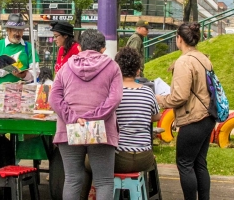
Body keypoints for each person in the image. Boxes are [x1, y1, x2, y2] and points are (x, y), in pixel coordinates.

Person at [48, 29, 123, 200]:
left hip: (69, 129)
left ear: (80, 47)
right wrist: (94, 118)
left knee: (73, 179)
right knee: (103, 181)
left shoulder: (66, 67)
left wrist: (73, 118)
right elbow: (115, 99)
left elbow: (54, 97)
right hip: (101, 130)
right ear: (103, 49)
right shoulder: (112, 68)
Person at [80, 47, 161, 199]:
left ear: (116, 68)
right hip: (145, 157)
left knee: (86, 163)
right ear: (138, 70)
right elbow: (157, 116)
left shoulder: (112, 93)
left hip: (118, 158)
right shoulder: (148, 92)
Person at [156, 22, 215, 200]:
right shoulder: (204, 58)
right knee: (199, 163)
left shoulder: (184, 61)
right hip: (208, 116)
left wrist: (160, 99)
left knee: (184, 163)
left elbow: (179, 97)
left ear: (179, 39)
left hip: (193, 118)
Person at [0, 13, 40, 84]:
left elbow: (35, 72)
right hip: (0, 91)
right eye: (15, 30)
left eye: (20, 30)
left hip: (22, 91)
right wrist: (7, 69)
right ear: (8, 30)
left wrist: (24, 75)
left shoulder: (29, 47)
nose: (18, 34)